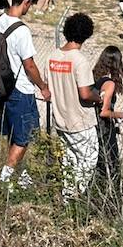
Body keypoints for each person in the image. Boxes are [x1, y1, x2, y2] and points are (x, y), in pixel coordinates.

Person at [0, 0, 50, 186]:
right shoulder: (21, 31)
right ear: (26, 2)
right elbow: (29, 65)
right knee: (24, 137)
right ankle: (5, 178)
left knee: (13, 134)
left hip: (2, 87)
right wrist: (43, 86)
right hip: (21, 90)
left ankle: (20, 176)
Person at [45, 13, 100, 198]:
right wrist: (100, 97)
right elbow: (85, 93)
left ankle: (67, 197)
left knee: (68, 163)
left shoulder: (52, 56)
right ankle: (77, 197)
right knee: (88, 161)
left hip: (61, 119)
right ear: (86, 34)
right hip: (80, 121)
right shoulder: (80, 61)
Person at [92, 45, 123, 188]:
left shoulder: (94, 76)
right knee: (110, 165)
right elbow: (104, 111)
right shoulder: (109, 83)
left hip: (91, 125)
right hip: (104, 129)